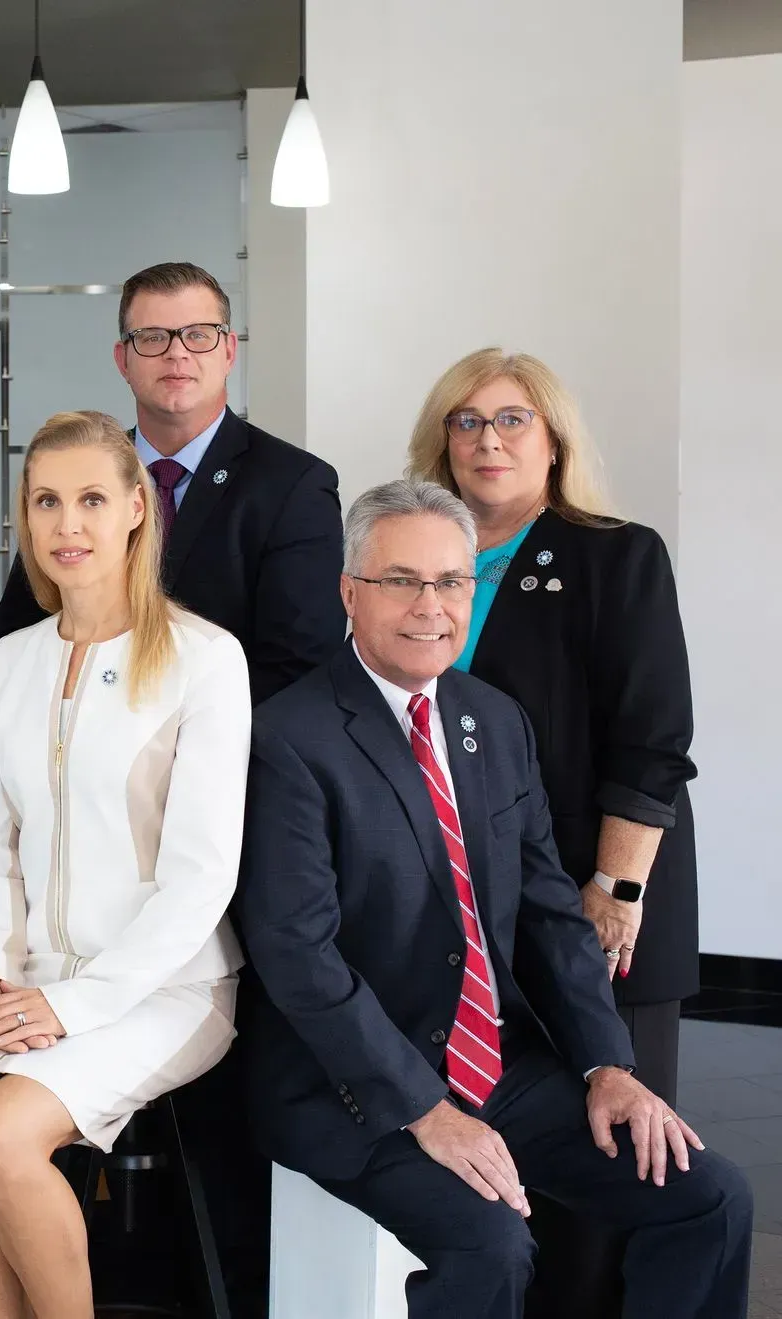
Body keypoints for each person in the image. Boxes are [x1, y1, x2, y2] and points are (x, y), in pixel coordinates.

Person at [236, 479, 751, 1319]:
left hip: (498, 1066)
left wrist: (607, 1064)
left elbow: (550, 911)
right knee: (491, 1243)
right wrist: (424, 1111)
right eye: (401, 580)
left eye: (451, 581)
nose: (430, 606)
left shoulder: (494, 720)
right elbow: (300, 960)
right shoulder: (290, 738)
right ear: (349, 592)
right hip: (354, 1089)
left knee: (709, 1196)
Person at [0, 410, 249, 1319]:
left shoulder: (206, 660)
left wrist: (73, 1004)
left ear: (138, 507)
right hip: (22, 980)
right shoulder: (11, 662)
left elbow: (201, 881)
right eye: (47, 501)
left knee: (3, 1133)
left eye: (92, 498)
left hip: (168, 987)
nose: (68, 525)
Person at [405, 348, 699, 1316]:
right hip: (479, 911)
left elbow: (652, 741)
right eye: (467, 421)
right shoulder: (419, 561)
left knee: (611, 1148)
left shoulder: (616, 553)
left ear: (555, 437)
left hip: (601, 892)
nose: (488, 439)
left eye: (512, 419)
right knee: (505, 1145)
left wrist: (613, 893)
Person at [0, 261, 343, 705]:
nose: (177, 353)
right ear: (123, 360)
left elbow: (300, 671)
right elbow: (22, 631)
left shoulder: (295, 486)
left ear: (229, 351)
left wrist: (181, 743)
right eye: (153, 338)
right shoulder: (77, 474)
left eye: (198, 334)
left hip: (234, 760)